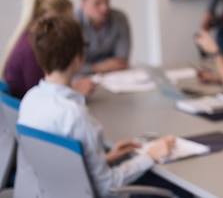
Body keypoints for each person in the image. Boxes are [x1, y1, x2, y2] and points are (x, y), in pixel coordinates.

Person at [16, 15, 191, 198]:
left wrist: (104, 159)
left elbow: (55, 165)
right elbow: (108, 186)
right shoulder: (76, 116)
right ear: (78, 59)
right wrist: (151, 156)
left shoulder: (30, 100)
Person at [1, 0, 94, 98]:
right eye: (68, 21)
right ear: (52, 18)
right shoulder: (31, 48)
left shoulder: (32, 38)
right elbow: (43, 96)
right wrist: (74, 92)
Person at [76, 0, 131, 75]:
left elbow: (121, 62)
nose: (104, 8)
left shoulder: (120, 18)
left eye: (107, 1)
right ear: (83, 3)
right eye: (97, 3)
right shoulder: (72, 23)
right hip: (81, 81)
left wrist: (89, 66)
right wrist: (100, 67)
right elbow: (71, 68)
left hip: (114, 79)